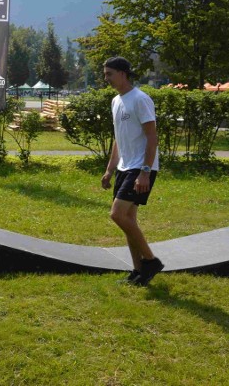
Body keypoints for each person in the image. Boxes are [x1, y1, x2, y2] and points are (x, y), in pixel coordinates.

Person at [100, 56, 164, 286]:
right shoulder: (116, 101)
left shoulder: (140, 99)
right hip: (124, 168)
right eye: (105, 74)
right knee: (128, 220)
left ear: (123, 73)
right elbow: (119, 139)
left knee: (117, 214)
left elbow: (152, 137)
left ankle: (150, 260)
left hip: (141, 167)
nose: (106, 78)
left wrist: (145, 172)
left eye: (109, 74)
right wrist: (109, 170)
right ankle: (139, 272)